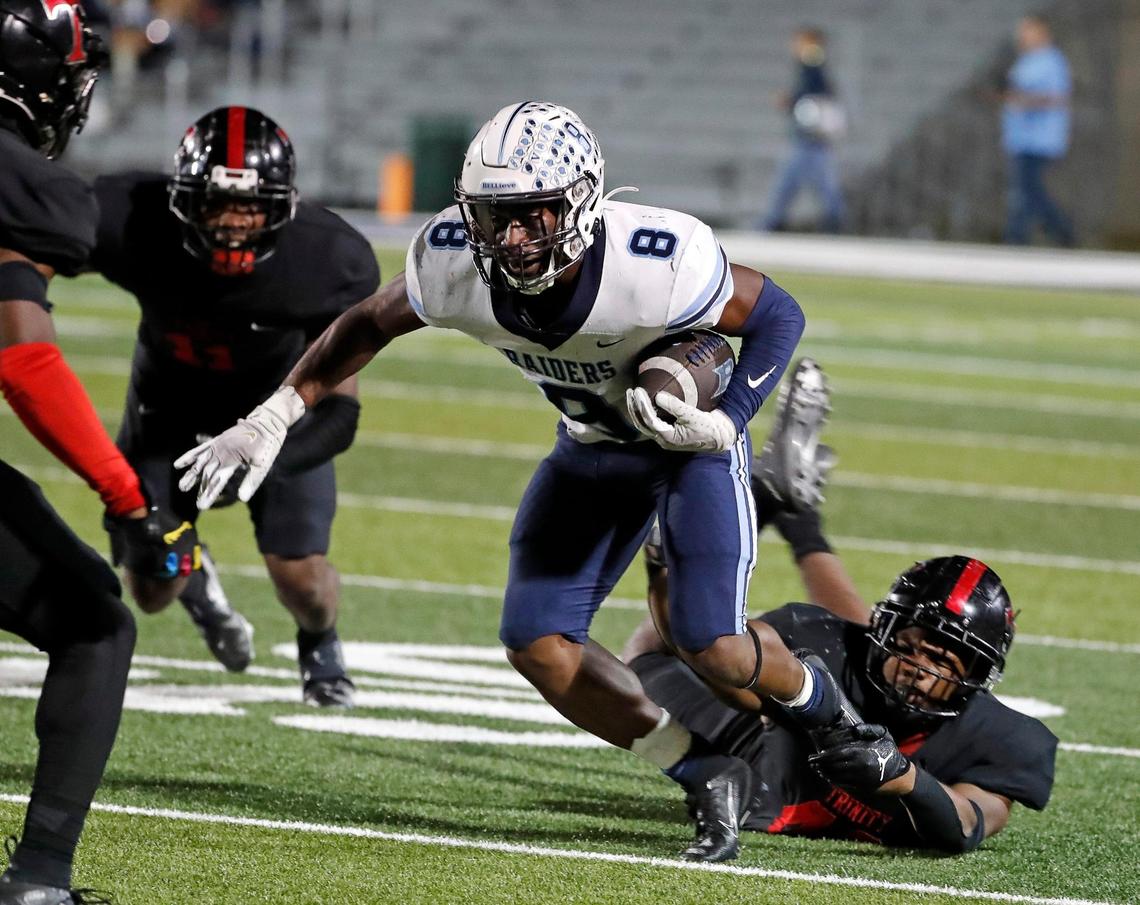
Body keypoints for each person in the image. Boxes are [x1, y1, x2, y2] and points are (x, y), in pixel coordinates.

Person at [177, 101, 901, 862]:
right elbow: (365, 323)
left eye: (533, 215)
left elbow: (777, 312)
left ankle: (835, 719)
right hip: (590, 447)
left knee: (710, 643)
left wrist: (732, 418)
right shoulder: (456, 260)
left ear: (581, 200)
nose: (514, 240)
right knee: (537, 642)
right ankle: (702, 769)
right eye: (495, 219)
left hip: (686, 444)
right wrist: (275, 413)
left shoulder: (654, 260)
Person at [626, 359, 1057, 853]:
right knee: (649, 653)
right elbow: (722, 670)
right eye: (911, 646)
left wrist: (904, 779)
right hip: (769, 750)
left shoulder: (1001, 738)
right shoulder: (829, 647)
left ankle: (787, 508)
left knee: (839, 641)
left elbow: (968, 824)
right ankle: (737, 519)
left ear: (975, 674)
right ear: (887, 631)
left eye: (941, 660)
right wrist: (667, 568)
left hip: (827, 758)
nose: (918, 667)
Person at [89, 105, 380, 706]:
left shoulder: (327, 261)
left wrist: (262, 456)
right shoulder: (130, 220)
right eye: (217, 203)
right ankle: (198, 583)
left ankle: (319, 642)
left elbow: (340, 413)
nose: (231, 224)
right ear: (182, 200)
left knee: (301, 579)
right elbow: (39, 243)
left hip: (274, 419)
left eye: (249, 206)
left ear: (282, 206)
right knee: (151, 582)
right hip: (165, 414)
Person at [0, 3, 193, 901]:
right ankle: (38, 878)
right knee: (95, 622)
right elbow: (26, 361)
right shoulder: (27, 187)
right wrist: (128, 496)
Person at [760, 27, 846, 234]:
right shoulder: (813, 65)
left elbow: (811, 93)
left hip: (810, 136)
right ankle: (775, 220)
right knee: (810, 181)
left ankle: (773, 222)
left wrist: (791, 100)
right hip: (810, 137)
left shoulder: (812, 61)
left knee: (801, 181)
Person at [1002, 14, 1074, 246]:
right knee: (1024, 188)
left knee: (1028, 189)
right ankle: (1018, 234)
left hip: (1040, 137)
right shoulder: (1026, 60)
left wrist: (1025, 101)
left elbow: (1056, 97)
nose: (1022, 35)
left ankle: (1059, 229)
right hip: (1020, 136)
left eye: (1028, 30)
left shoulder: (1052, 61)